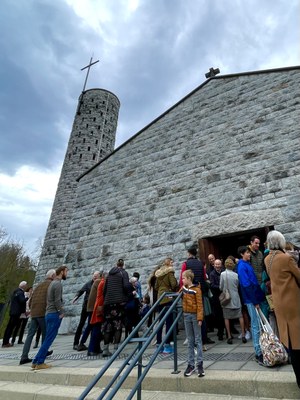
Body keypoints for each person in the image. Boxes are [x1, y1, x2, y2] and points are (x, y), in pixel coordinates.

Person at [265, 230, 300, 388]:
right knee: (298, 342)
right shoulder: (286, 258)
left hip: (280, 305)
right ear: (280, 242)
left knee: (290, 343)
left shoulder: (267, 259)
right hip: (294, 304)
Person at [31, 265, 68, 370]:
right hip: (54, 314)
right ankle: (40, 362)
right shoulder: (58, 284)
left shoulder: (52, 283)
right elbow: (57, 300)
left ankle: (35, 361)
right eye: (66, 271)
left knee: (47, 338)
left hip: (49, 313)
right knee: (48, 339)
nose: (67, 274)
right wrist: (61, 312)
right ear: (61, 272)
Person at [19, 269, 56, 365]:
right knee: (46, 334)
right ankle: (43, 353)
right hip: (43, 313)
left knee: (30, 335)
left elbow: (30, 301)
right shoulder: (51, 285)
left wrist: (33, 310)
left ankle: (24, 356)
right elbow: (51, 299)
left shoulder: (38, 286)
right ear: (52, 276)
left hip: (34, 313)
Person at [236, 246, 265, 365]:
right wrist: (255, 301)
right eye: (247, 253)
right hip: (251, 300)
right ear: (242, 254)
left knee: (257, 325)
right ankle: (258, 353)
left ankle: (260, 350)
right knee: (255, 326)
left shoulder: (246, 264)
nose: (249, 254)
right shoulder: (242, 266)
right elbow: (246, 285)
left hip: (254, 298)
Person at [102, 259, 131, 356]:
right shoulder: (123, 273)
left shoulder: (109, 275)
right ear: (123, 265)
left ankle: (105, 349)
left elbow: (105, 290)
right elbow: (126, 286)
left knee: (108, 326)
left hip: (108, 303)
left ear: (116, 264)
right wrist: (128, 295)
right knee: (118, 325)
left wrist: (106, 300)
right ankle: (116, 349)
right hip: (118, 302)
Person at [180, 269, 205, 377]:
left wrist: (200, 318)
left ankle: (199, 364)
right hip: (186, 315)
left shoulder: (197, 289)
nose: (182, 280)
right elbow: (177, 295)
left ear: (189, 279)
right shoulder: (184, 288)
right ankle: (190, 364)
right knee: (190, 340)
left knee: (198, 339)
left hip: (195, 316)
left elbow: (200, 304)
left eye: (183, 278)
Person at [220, 258, 247, 345]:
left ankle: (229, 336)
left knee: (227, 317)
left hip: (227, 298)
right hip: (236, 297)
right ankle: (243, 335)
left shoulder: (223, 274)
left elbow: (221, 287)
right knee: (240, 316)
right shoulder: (236, 274)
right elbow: (237, 285)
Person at [155, 257, 178, 354]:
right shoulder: (170, 272)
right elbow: (174, 284)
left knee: (160, 322)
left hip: (160, 298)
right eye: (172, 262)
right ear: (169, 263)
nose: (173, 264)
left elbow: (156, 287)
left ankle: (158, 344)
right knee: (169, 322)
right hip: (168, 298)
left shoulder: (159, 273)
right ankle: (167, 346)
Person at [72, 271, 100, 350]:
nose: (94, 277)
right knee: (81, 324)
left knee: (90, 324)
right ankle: (76, 343)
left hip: (93, 308)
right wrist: (76, 297)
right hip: (86, 307)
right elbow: (81, 291)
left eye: (96, 276)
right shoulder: (88, 284)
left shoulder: (98, 283)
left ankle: (86, 343)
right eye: (94, 275)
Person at [2, 281, 27, 347]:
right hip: (17, 313)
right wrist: (27, 297)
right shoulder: (21, 293)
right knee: (11, 328)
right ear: (24, 286)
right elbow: (22, 301)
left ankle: (5, 341)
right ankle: (6, 343)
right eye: (26, 285)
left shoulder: (15, 292)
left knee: (8, 327)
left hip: (12, 312)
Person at [87, 271, 106, 356]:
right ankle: (91, 349)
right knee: (95, 329)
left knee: (97, 329)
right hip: (96, 308)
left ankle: (97, 348)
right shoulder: (100, 282)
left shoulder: (98, 282)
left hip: (94, 307)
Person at [209, 259, 225, 340]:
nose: (218, 266)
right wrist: (220, 287)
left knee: (225, 314)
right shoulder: (212, 274)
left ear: (221, 265)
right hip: (217, 297)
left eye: (219, 264)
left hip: (225, 296)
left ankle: (228, 331)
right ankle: (220, 332)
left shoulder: (224, 272)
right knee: (218, 315)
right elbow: (212, 285)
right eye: (216, 264)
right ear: (214, 265)